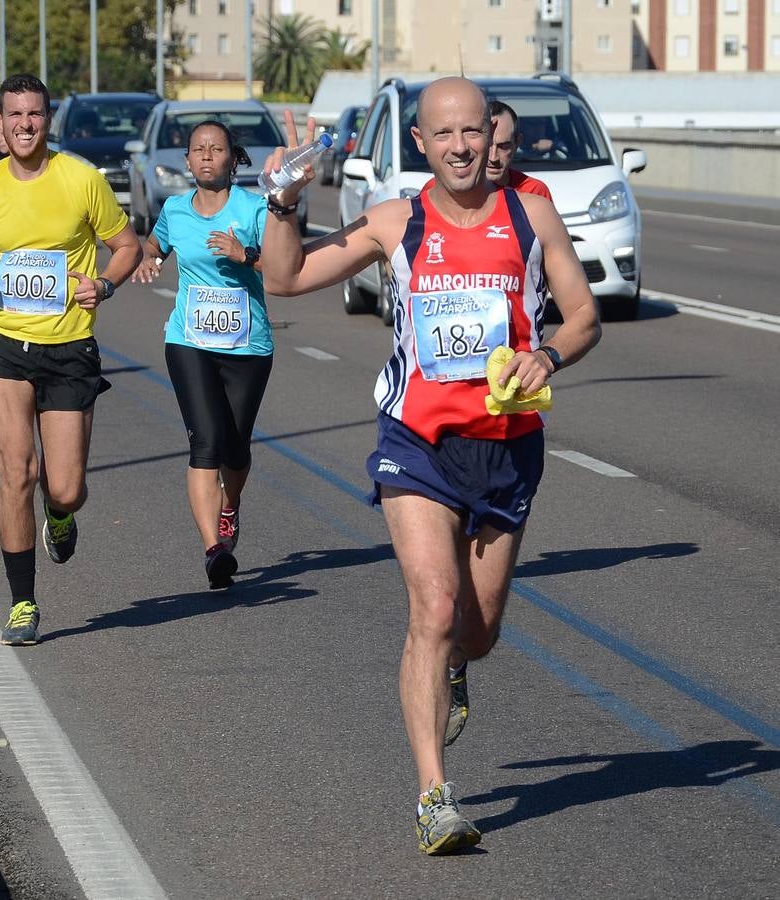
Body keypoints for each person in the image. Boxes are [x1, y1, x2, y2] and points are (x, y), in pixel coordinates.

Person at [259, 77, 601, 855]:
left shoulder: (528, 212)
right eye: (442, 135)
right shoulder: (396, 221)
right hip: (416, 444)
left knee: (473, 634)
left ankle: (455, 667)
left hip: (507, 446)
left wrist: (547, 354)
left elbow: (582, 316)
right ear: (420, 142)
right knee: (434, 609)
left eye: (471, 133)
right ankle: (432, 797)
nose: (458, 147)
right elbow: (284, 277)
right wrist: (283, 204)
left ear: (492, 135)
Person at [0, 74, 141, 646]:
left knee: (65, 487)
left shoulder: (81, 179)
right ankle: (22, 603)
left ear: (47, 119)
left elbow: (127, 246)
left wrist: (103, 287)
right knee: (16, 470)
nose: (25, 124)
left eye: (34, 114)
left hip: (68, 346)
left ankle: (59, 517)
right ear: (0, 124)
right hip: (2, 343)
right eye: (15, 116)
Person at [130, 119, 271, 589]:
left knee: (235, 447)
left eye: (216, 149)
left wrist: (246, 255)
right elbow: (154, 242)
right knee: (206, 441)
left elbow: (288, 267)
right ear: (187, 161)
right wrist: (150, 258)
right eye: (198, 149)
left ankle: (229, 506)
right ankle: (214, 550)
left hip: (247, 345)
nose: (207, 156)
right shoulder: (174, 208)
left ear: (233, 158)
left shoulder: (254, 209)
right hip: (188, 341)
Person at [486, 100, 552, 200]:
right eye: (487, 146)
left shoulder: (534, 192)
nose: (493, 157)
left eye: (504, 147)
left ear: (517, 143)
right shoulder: (457, 193)